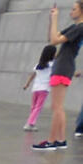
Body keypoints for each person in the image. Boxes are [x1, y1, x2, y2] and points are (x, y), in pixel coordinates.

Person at [34, 0, 83, 151]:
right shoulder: (74, 27)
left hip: (63, 67)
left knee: (57, 107)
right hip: (62, 67)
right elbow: (52, 38)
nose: (71, 11)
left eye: (74, 9)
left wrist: (55, 19)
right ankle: (60, 140)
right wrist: (52, 19)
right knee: (57, 107)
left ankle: (51, 140)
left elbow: (54, 41)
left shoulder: (80, 27)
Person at [23, 45, 56, 130]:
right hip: (44, 89)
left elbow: (33, 75)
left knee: (34, 107)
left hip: (35, 88)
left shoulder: (38, 65)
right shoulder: (53, 64)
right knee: (38, 107)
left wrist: (27, 84)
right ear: (52, 54)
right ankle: (29, 123)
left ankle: (32, 124)